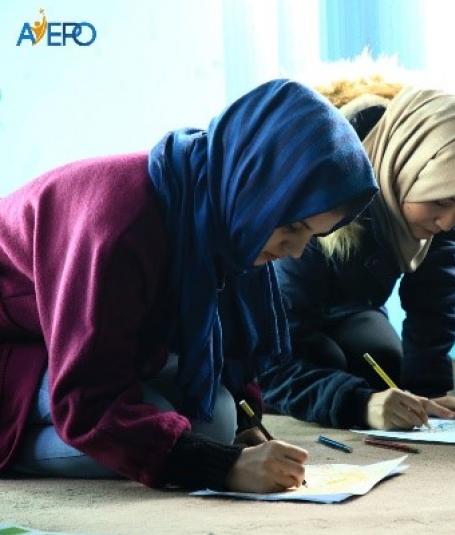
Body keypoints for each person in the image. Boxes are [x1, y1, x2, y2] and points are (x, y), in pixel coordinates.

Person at [0, 80, 377, 492]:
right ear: (254, 187)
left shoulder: (221, 204)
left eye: (314, 235)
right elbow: (88, 401)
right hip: (17, 345)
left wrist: (245, 427)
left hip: (60, 336)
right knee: (171, 440)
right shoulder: (119, 228)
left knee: (219, 417)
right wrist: (222, 467)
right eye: (292, 227)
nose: (296, 251)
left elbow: (229, 341)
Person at [259, 80, 455, 430]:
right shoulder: (320, 201)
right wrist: (358, 404)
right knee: (319, 361)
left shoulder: (442, 212)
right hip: (276, 317)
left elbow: (433, 304)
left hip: (351, 309)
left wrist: (428, 394)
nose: (449, 222)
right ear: (405, 166)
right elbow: (277, 342)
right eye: (441, 202)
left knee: (383, 362)